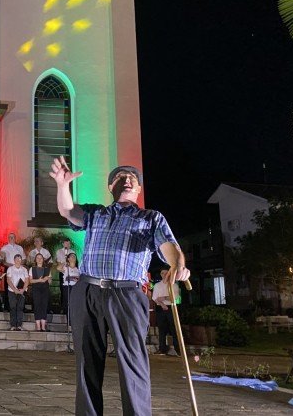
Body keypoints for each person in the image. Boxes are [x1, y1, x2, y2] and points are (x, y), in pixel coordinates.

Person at [49, 157, 190, 415]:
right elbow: (68, 212)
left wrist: (176, 264)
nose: (126, 180)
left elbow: (169, 246)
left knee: (133, 362)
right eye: (119, 178)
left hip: (126, 293)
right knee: (87, 362)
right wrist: (62, 186)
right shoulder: (96, 214)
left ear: (138, 189)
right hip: (88, 291)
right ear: (110, 187)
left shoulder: (150, 218)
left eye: (132, 179)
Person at [152, 268, 180, 356]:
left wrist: (163, 298)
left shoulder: (173, 285)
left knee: (174, 328)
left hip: (171, 307)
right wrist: (162, 303)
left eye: (166, 273)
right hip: (160, 308)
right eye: (163, 273)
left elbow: (174, 297)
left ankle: (178, 349)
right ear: (161, 274)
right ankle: (162, 349)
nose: (164, 275)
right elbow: (154, 297)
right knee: (161, 329)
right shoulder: (157, 285)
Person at [28, 253, 51, 332]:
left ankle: (43, 326)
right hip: (36, 289)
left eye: (41, 258)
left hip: (45, 289)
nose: (39, 259)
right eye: (38, 258)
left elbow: (50, 281)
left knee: (44, 306)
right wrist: (39, 280)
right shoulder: (32, 269)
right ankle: (38, 326)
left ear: (43, 259)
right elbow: (30, 281)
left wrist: (48, 279)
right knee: (37, 305)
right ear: (35, 259)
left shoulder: (47, 269)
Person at [6, 254, 28, 331]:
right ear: (14, 260)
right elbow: (8, 280)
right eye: (17, 259)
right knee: (12, 307)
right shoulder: (10, 269)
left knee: (20, 307)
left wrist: (23, 289)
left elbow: (27, 280)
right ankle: (13, 325)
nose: (18, 261)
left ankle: (19, 325)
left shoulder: (24, 269)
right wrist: (14, 289)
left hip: (21, 291)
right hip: (12, 291)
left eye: (20, 259)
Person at [55, 239, 76, 312]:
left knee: (71, 289)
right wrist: (65, 260)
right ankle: (63, 307)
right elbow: (58, 262)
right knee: (63, 289)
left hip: (71, 272)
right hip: (62, 271)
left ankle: (71, 306)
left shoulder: (72, 252)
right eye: (66, 243)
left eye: (69, 244)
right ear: (63, 244)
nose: (67, 245)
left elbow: (75, 262)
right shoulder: (59, 251)